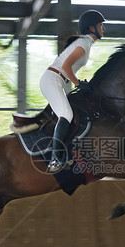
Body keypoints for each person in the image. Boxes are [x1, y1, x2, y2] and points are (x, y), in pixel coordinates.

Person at [40, 9, 105, 173]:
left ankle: (63, 154)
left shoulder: (85, 43)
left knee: (69, 114)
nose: (104, 28)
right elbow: (65, 66)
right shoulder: (83, 44)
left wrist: (79, 82)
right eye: (101, 25)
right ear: (92, 28)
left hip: (56, 81)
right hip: (52, 80)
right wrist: (77, 84)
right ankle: (55, 159)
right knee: (67, 115)